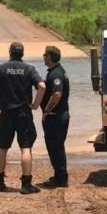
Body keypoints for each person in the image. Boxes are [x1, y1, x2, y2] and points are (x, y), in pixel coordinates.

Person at [0, 42, 46, 194]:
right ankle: (26, 184)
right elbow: (42, 86)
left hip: (6, 113)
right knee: (25, 148)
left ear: (10, 52)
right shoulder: (29, 69)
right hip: (23, 113)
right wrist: (36, 104)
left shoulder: (1, 68)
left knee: (2, 148)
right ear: (22, 54)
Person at [41, 46, 70, 187]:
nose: (43, 57)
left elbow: (57, 94)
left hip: (55, 116)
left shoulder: (56, 74)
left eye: (45, 55)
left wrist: (47, 110)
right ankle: (60, 176)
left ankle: (61, 178)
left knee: (55, 146)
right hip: (59, 115)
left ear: (50, 57)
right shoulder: (56, 71)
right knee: (57, 146)